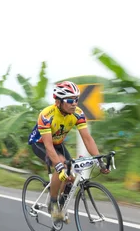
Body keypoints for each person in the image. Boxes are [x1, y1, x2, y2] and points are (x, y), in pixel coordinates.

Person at [28, 81, 109, 221]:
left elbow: (87, 139)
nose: (74, 103)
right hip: (40, 143)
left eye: (76, 99)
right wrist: (59, 166)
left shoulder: (78, 114)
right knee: (62, 167)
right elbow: (48, 146)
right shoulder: (46, 115)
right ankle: (52, 203)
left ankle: (61, 203)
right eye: (70, 100)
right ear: (58, 102)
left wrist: (99, 159)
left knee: (71, 175)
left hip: (58, 143)